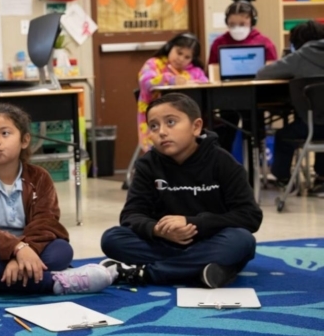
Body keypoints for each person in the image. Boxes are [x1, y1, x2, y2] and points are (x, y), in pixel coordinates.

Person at [0, 103, 115, 299]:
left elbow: (46, 223)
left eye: (5, 133)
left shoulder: (40, 177)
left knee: (62, 250)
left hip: (33, 247)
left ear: (24, 140)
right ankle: (55, 283)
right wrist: (16, 249)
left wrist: (25, 253)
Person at [101, 94, 262, 289]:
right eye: (153, 126)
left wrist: (195, 223)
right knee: (112, 239)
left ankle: (147, 273)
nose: (162, 132)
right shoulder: (147, 165)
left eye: (170, 122)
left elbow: (250, 216)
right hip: (165, 242)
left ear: (196, 126)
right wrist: (157, 230)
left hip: (211, 239)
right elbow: (131, 215)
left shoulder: (223, 162)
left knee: (242, 241)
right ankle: (209, 269)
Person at [255, 20, 324, 188]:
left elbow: (262, 74)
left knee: (285, 135)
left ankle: (283, 178)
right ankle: (321, 176)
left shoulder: (299, 57)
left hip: (311, 125)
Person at [208, 0, 278, 156]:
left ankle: (257, 165)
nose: (237, 28)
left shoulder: (264, 42)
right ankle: (225, 169)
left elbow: (274, 69)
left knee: (254, 129)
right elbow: (212, 71)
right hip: (227, 97)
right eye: (232, 24)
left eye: (242, 24)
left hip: (256, 96)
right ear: (227, 23)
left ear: (252, 22)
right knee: (225, 134)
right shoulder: (219, 42)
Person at [137, 33, 208, 151]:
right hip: (157, 117)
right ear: (170, 47)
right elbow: (145, 82)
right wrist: (170, 79)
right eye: (179, 53)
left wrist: (190, 82)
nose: (181, 59)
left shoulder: (195, 71)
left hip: (185, 120)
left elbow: (205, 83)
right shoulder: (154, 64)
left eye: (187, 57)